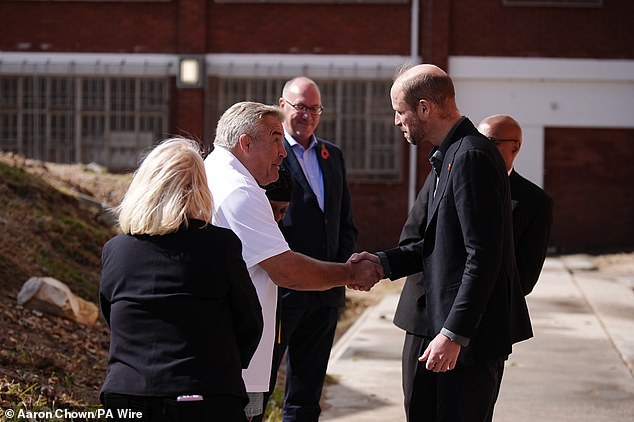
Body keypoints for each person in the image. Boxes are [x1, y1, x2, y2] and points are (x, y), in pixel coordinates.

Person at [351, 64, 533, 422]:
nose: (396, 121)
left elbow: (483, 256)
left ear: (424, 108)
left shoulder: (471, 157)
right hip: (447, 334)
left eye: (399, 111)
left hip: (470, 345)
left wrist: (454, 334)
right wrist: (383, 263)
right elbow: (440, 244)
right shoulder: (450, 155)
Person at [204, 101, 380, 420]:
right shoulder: (240, 190)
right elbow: (288, 271)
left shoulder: (214, 171)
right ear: (245, 143)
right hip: (234, 364)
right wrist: (349, 273)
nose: (283, 152)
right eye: (275, 138)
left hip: (223, 351)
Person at [99, 137, 263, 422]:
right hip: (202, 396)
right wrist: (225, 366)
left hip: (127, 397)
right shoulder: (220, 246)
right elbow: (249, 321)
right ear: (200, 188)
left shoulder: (116, 250)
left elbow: (111, 316)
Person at [254, 77, 358, 422]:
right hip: (283, 291)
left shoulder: (332, 155)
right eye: (300, 106)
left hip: (325, 294)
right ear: (281, 105)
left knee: (307, 393)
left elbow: (344, 223)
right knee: (261, 384)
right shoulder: (267, 154)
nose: (307, 115)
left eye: (314, 108)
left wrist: (339, 272)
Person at [477, 114, 553, 295]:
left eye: (491, 141)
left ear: (515, 147)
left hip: (495, 311)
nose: (481, 148)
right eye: (478, 140)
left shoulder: (536, 202)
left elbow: (525, 278)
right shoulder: (456, 183)